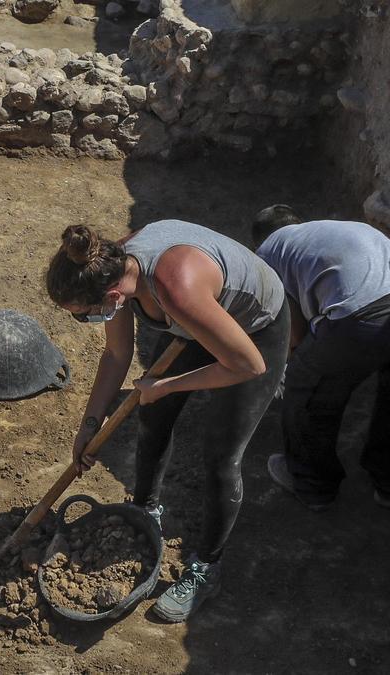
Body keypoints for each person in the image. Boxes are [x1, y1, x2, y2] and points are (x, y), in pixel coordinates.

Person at [45, 220, 289, 622]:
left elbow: (248, 365)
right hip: (195, 320)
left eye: (82, 316)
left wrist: (169, 384)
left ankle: (206, 568)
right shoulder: (112, 267)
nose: (84, 321)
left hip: (253, 330)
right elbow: (116, 355)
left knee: (220, 456)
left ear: (109, 296)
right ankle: (144, 511)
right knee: (152, 413)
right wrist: (89, 425)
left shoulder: (175, 287)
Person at [253, 206, 390, 511]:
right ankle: (387, 481)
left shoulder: (267, 252)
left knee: (307, 386)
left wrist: (289, 362)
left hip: (360, 315)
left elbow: (295, 333)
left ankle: (313, 485)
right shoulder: (335, 230)